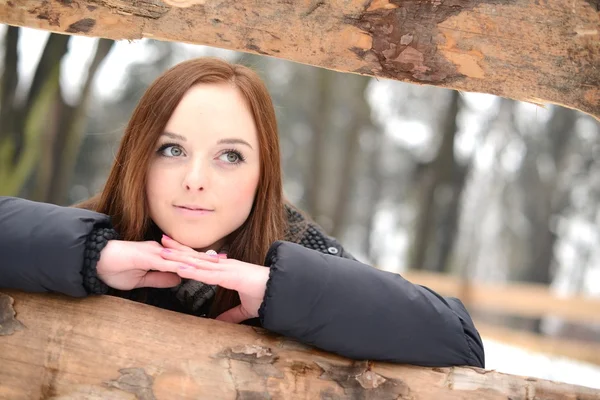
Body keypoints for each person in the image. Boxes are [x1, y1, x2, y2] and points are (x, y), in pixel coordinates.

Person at [0, 57, 484, 368]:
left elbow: (460, 343)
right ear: (137, 157)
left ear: (262, 174)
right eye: (171, 149)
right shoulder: (92, 232)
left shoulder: (294, 243)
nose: (196, 178)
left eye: (230, 156)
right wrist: (90, 257)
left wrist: (281, 291)